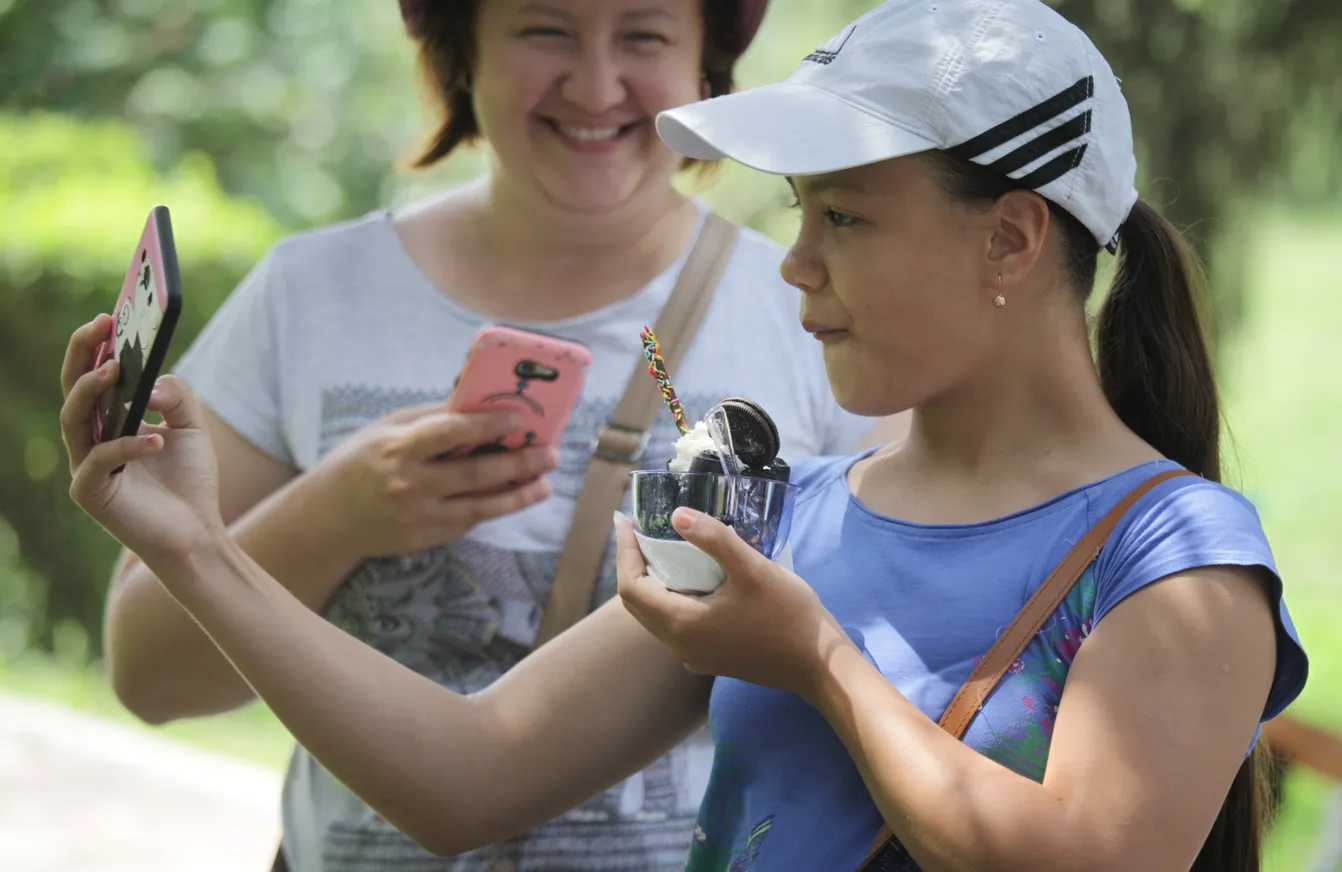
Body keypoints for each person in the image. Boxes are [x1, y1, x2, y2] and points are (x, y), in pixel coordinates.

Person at [60, 0, 1308, 870]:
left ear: (1009, 238)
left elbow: (1090, 859)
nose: (799, 267)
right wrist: (194, 549)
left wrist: (816, 658)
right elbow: (465, 772)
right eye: (800, 215)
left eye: (850, 221)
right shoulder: (800, 510)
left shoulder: (1179, 559)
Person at [90, 1, 895, 870]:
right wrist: (335, 516)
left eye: (645, 36)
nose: (594, 85)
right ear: (460, 52)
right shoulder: (309, 294)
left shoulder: (813, 319)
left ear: (707, 66)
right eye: (544, 30)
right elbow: (150, 675)